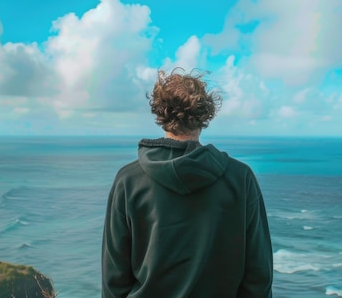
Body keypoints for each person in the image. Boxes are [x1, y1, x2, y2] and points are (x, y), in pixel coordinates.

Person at [102, 68, 273, 298]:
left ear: (161, 115)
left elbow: (114, 278)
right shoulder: (240, 178)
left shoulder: (129, 180)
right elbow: (259, 275)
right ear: (205, 117)